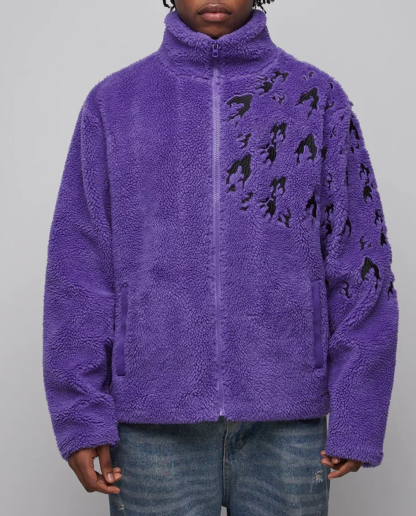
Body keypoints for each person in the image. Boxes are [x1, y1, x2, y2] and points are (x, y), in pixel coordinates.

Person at [42, 1, 399, 514]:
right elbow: (78, 267)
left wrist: (358, 411)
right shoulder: (114, 103)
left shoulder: (316, 97)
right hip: (151, 420)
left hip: (289, 420)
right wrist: (80, 415)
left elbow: (362, 259)